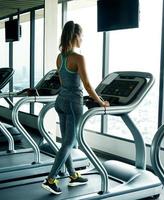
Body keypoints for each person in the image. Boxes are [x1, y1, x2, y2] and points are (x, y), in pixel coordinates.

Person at [41, 21, 110, 195]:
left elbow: (64, 82)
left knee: (66, 141)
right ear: (75, 36)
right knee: (69, 142)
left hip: (61, 101)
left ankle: (72, 175)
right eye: (82, 35)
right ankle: (50, 179)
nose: (83, 39)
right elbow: (86, 84)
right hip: (73, 104)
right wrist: (101, 102)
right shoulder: (78, 58)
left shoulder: (60, 57)